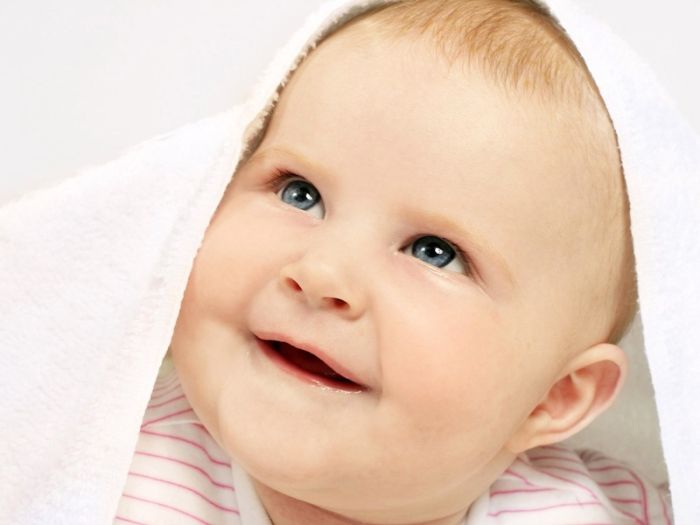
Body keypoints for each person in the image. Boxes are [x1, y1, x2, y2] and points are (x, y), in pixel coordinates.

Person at [114, 0, 671, 523]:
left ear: (553, 397)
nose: (321, 273)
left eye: (435, 252)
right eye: (299, 193)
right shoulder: (104, 467)